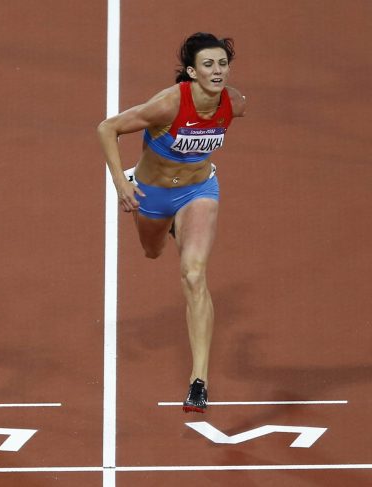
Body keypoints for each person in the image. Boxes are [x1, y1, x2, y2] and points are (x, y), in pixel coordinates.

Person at [97, 33, 246, 413]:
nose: (217, 71)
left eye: (222, 64)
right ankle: (169, 226)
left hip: (198, 191)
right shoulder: (168, 103)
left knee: (194, 275)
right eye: (208, 65)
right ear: (192, 72)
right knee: (152, 251)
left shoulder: (234, 102)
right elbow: (107, 128)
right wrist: (120, 182)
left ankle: (199, 381)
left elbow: (233, 112)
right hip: (151, 193)